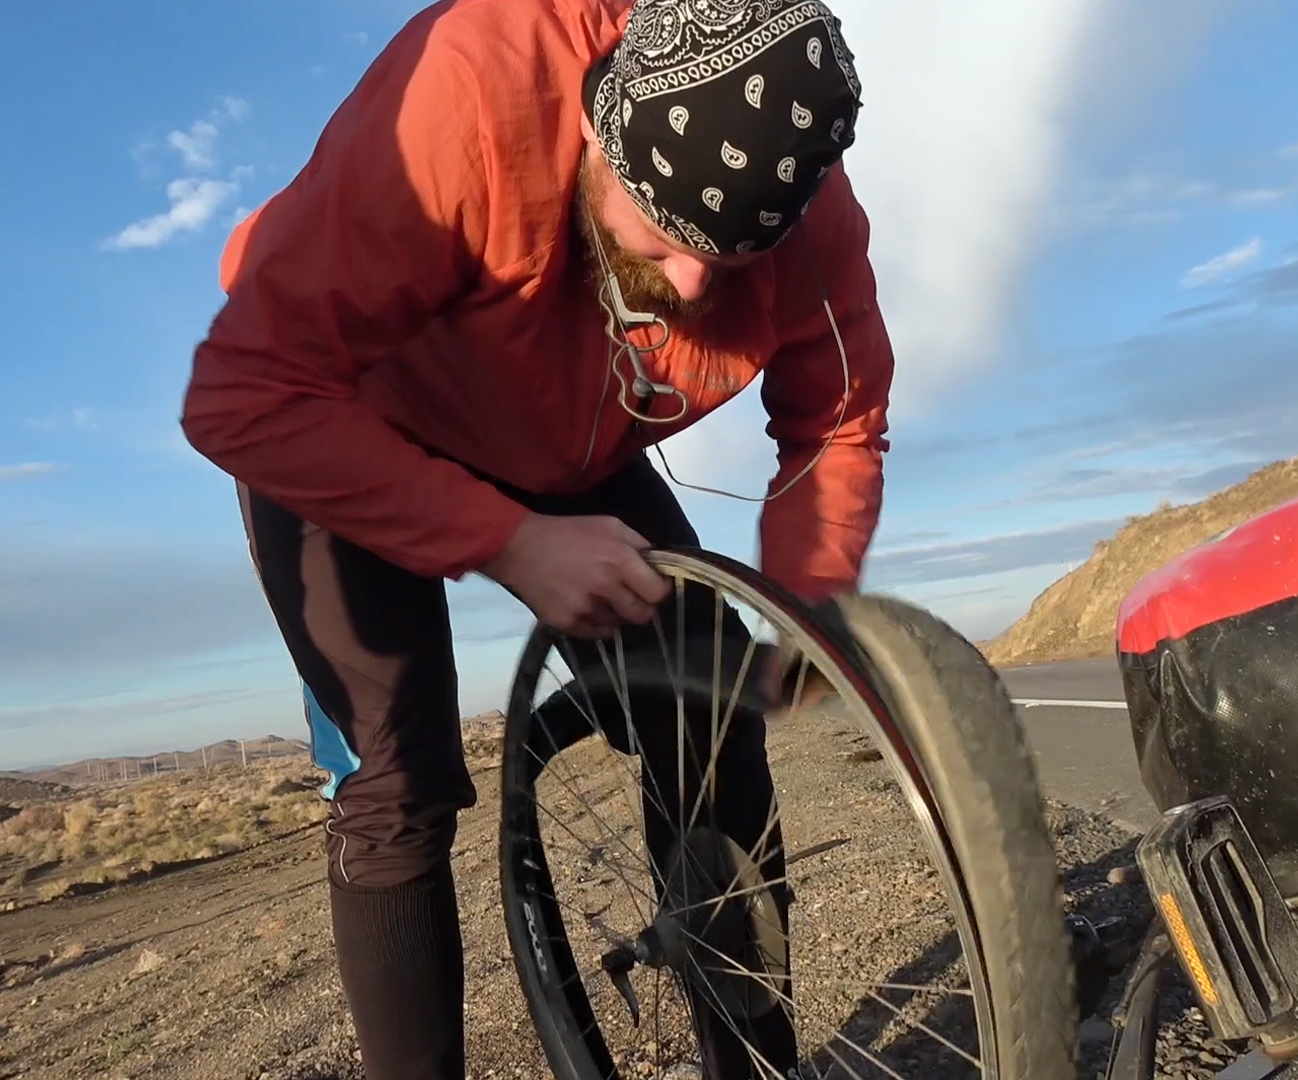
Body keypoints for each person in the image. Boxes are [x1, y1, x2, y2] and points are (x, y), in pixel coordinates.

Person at [180, 0, 894, 1076]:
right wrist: (508, 541)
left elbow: (837, 425)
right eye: (662, 233)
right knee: (398, 782)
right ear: (601, 133)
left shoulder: (808, 213)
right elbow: (242, 395)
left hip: (559, 417)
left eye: (732, 259)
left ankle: (752, 1063)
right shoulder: (461, 102)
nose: (693, 287)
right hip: (345, 405)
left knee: (708, 710)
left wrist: (806, 601)